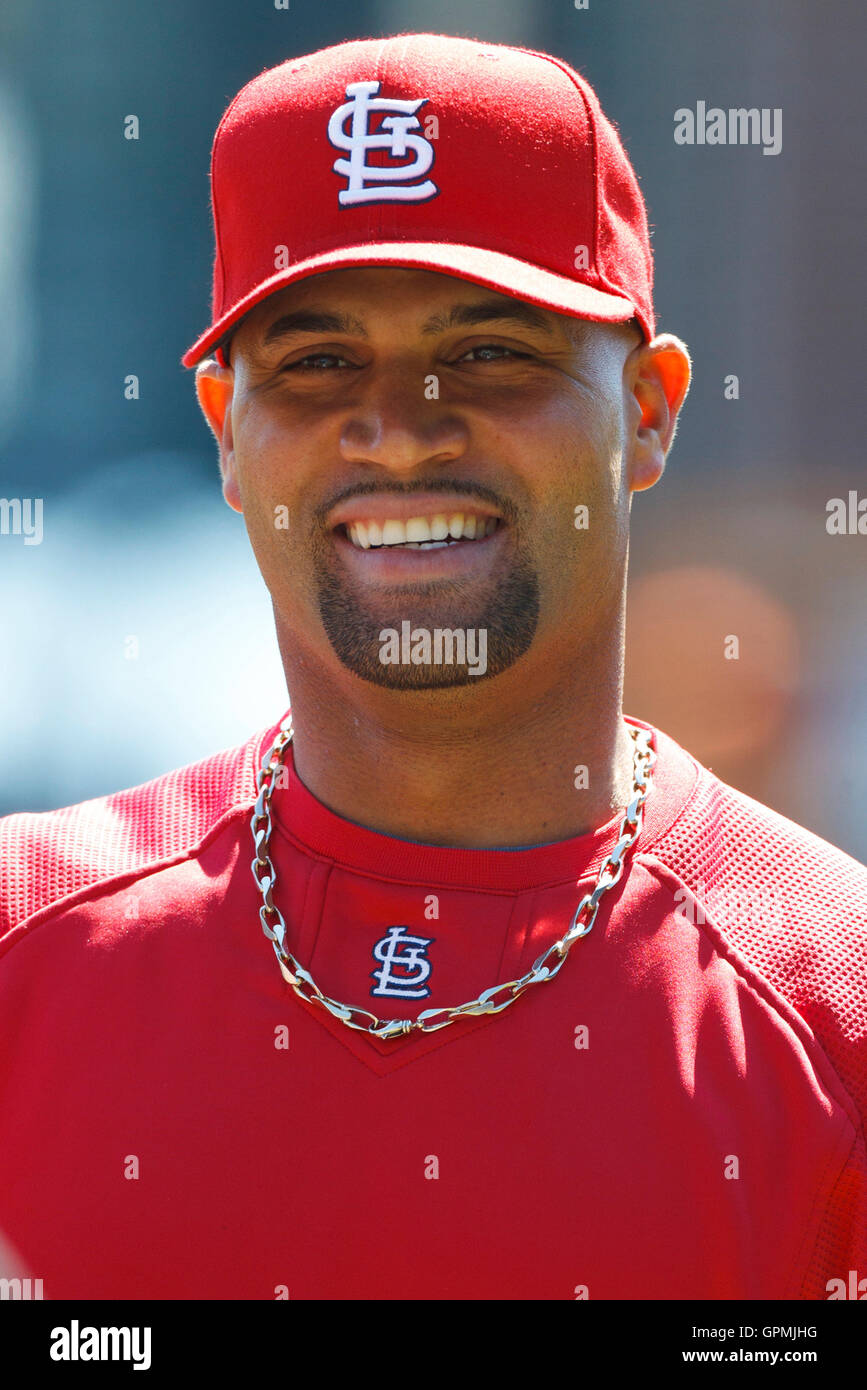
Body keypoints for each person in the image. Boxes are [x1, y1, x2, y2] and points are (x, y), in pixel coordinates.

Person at [1, 31, 864, 1302]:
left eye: (492, 352)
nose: (398, 432)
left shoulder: (832, 1010)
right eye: (316, 361)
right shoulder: (25, 956)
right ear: (227, 433)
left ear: (648, 411)